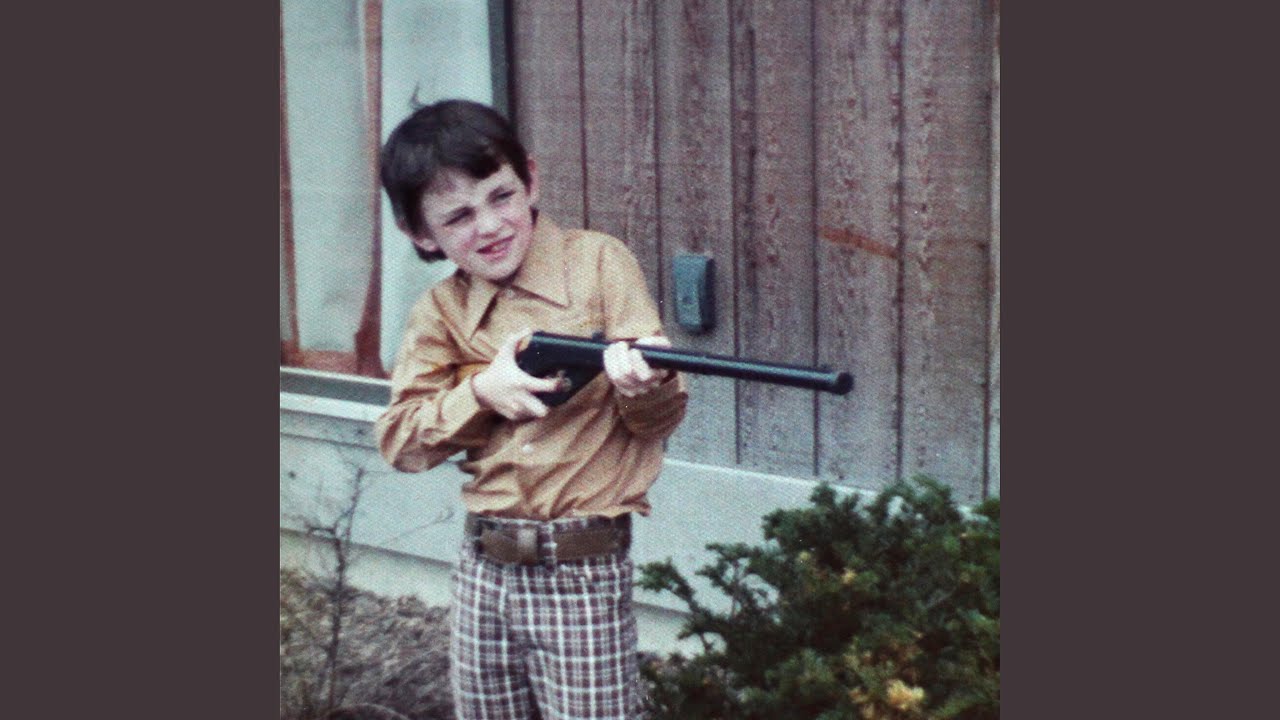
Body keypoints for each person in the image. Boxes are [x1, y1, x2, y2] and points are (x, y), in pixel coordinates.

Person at [374, 98, 687, 720]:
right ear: (420, 234)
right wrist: (480, 394)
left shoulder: (599, 264)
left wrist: (645, 384)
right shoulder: (439, 313)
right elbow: (400, 442)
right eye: (458, 216)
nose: (490, 225)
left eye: (501, 196)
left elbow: (656, 424)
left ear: (531, 180)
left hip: (581, 572)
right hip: (481, 567)